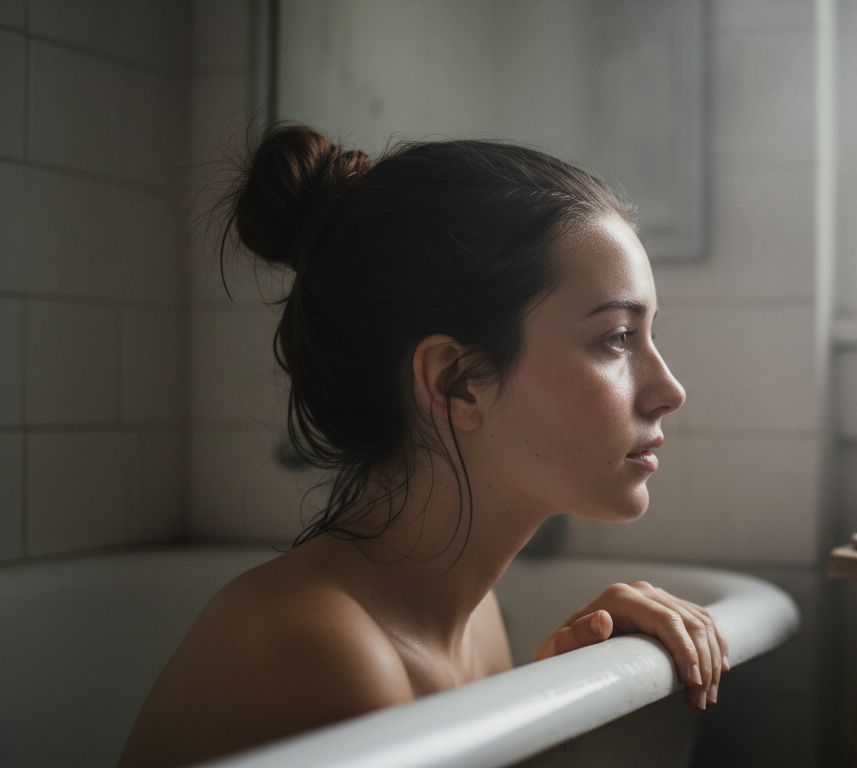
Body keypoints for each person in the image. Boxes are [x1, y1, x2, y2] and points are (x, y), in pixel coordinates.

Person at [117, 125, 726, 768]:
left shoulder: (473, 617)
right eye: (618, 338)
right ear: (456, 382)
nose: (670, 390)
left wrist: (556, 702)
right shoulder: (324, 651)